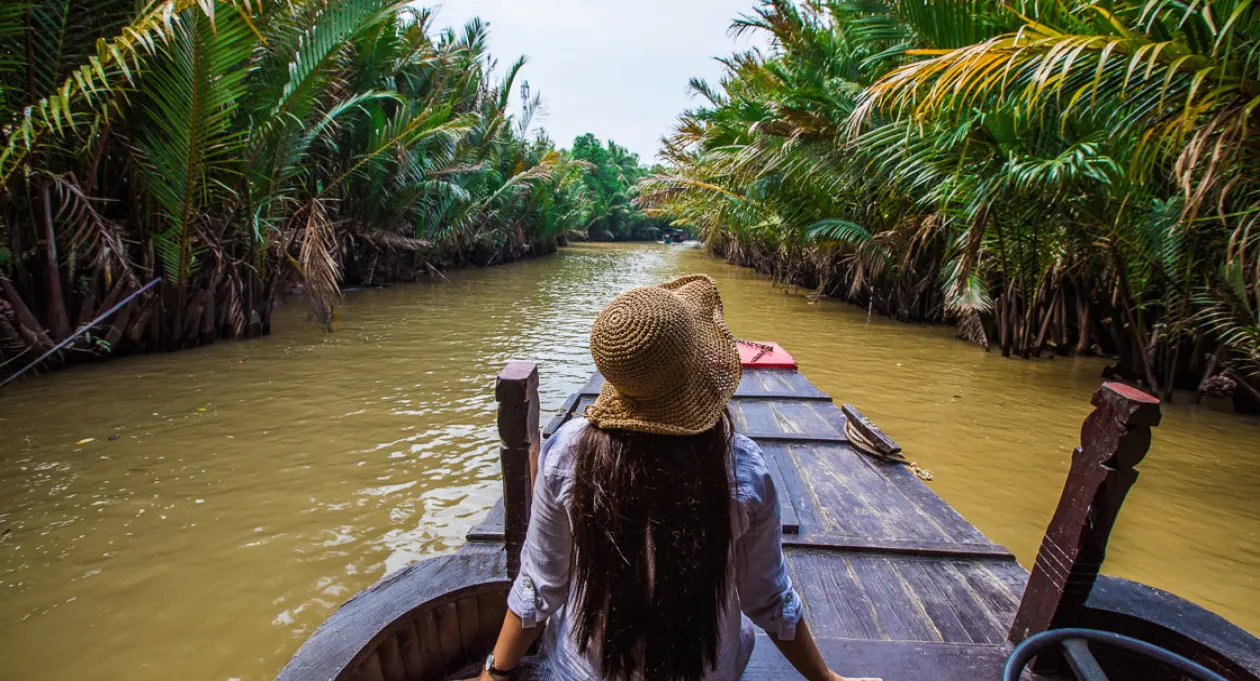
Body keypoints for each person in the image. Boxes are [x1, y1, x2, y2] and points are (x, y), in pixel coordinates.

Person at [468, 275, 881, 681]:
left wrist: (496, 673)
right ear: (697, 367)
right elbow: (768, 599)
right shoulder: (742, 467)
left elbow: (540, 587)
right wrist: (826, 679)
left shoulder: (566, 453)